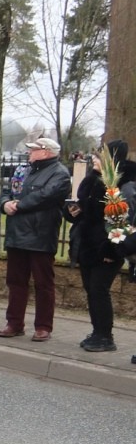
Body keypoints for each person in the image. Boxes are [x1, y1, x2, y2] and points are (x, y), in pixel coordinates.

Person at [0, 136, 71, 342]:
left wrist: (18, 205)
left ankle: (43, 326)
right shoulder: (22, 170)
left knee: (43, 283)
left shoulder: (60, 173)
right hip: (16, 234)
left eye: (33, 149)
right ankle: (14, 323)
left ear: (46, 151)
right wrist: (5, 204)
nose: (29, 152)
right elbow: (5, 191)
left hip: (41, 235)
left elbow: (46, 196)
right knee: (16, 281)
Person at [66, 140, 136, 351]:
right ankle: (97, 331)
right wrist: (73, 211)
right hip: (89, 246)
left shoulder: (121, 184)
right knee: (91, 290)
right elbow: (86, 206)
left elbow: (122, 220)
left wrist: (112, 250)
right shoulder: (95, 180)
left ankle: (105, 336)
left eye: (98, 156)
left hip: (106, 249)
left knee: (99, 290)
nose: (94, 159)